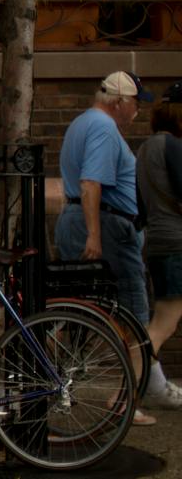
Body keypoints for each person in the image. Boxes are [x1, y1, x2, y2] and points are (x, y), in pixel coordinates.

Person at [55, 70, 156, 425]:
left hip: (77, 222)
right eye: (135, 105)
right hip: (107, 228)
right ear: (119, 102)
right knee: (136, 316)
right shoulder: (102, 127)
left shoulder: (81, 123)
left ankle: (41, 379)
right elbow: (90, 183)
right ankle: (124, 402)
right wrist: (95, 235)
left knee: (78, 314)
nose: (137, 113)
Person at [137, 79, 182, 412]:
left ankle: (140, 383)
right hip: (175, 243)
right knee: (164, 323)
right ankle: (130, 384)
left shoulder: (146, 148)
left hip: (157, 240)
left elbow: (140, 206)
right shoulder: (174, 147)